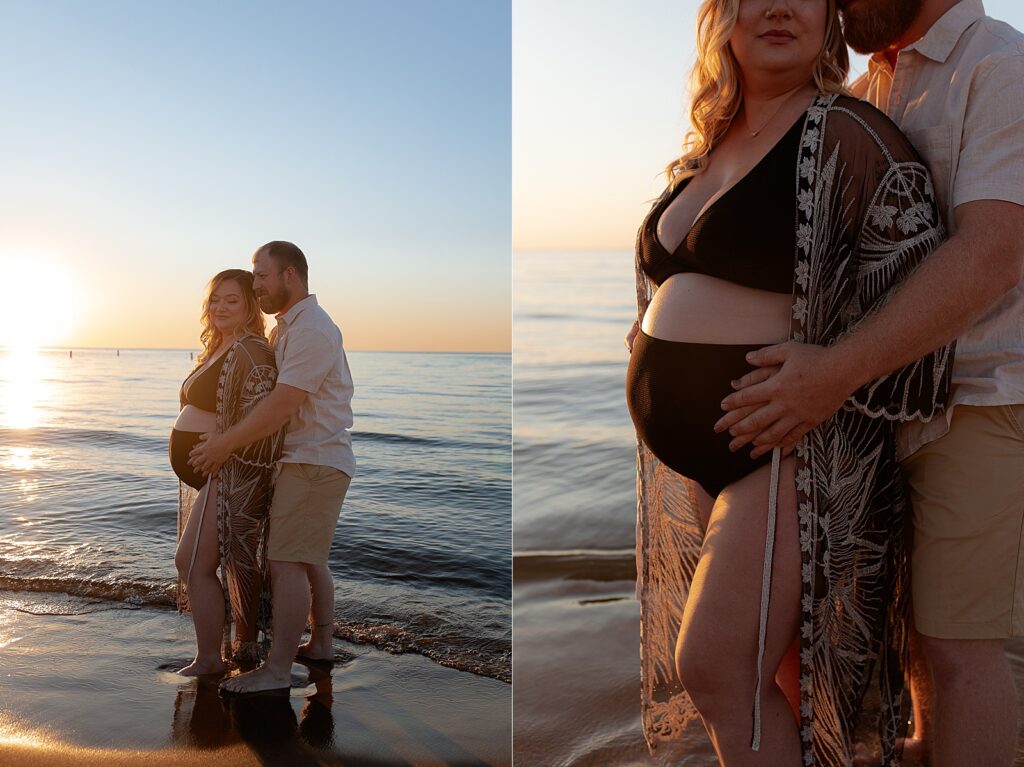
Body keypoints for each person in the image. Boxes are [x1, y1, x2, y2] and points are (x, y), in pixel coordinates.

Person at [624, 0, 953, 764]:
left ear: (830, 15)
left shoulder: (850, 133)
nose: (778, 6)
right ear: (722, 18)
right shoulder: (707, 145)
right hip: (711, 457)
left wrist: (830, 383)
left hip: (787, 447)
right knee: (779, 676)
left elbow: (917, 306)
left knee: (713, 666)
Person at [717, 2, 1024, 765]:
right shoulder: (870, 84)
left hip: (981, 400)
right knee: (898, 642)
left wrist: (832, 372)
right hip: (871, 412)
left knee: (956, 649)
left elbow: (993, 251)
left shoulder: (999, 65)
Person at [188, 241, 356, 694]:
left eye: (260, 275)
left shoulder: (312, 330)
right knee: (306, 559)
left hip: (312, 459)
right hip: (299, 460)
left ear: (290, 275)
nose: (255, 283)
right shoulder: (288, 328)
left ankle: (278, 670)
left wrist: (223, 444)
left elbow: (282, 405)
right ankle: (319, 645)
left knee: (286, 563)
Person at [171, 269, 283, 675]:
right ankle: (212, 655)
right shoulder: (221, 346)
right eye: (215, 298)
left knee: (191, 563)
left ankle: (211, 659)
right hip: (215, 472)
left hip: (231, 472)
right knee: (194, 563)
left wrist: (221, 440)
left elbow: (263, 415)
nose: (220, 307)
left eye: (232, 300)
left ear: (251, 306)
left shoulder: (253, 350)